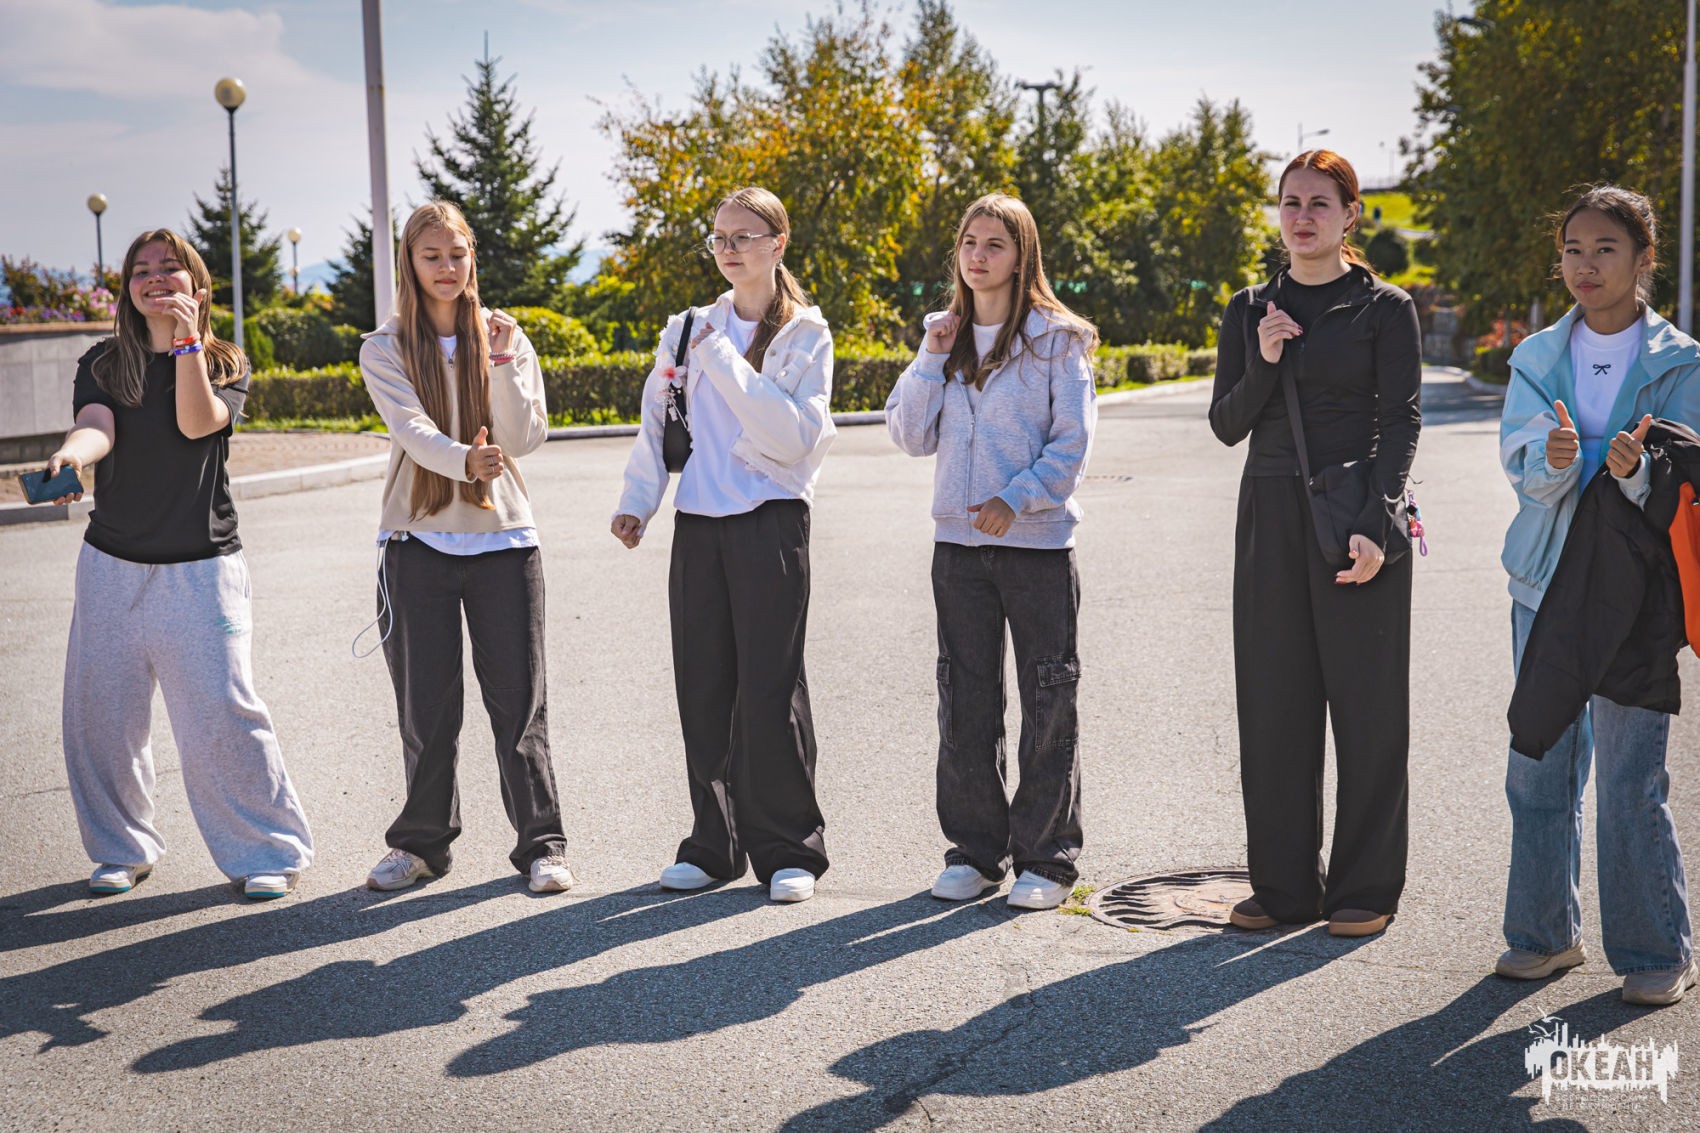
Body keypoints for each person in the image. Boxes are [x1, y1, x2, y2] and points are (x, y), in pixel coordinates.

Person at [43, 228, 314, 900]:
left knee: (223, 713)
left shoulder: (224, 361)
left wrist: (187, 340)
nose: (155, 278)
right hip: (111, 565)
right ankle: (121, 849)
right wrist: (72, 455)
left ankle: (265, 851)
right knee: (103, 719)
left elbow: (197, 423)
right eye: (141, 270)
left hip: (202, 568)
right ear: (127, 289)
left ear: (197, 283)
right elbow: (98, 425)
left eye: (170, 267)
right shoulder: (104, 361)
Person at [1208, 151, 1422, 938]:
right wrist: (1265, 360)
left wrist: (1379, 521)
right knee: (1274, 704)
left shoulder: (1385, 308)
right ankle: (1285, 885)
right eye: (1291, 202)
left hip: (1355, 514)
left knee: (1367, 708)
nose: (1302, 216)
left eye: (1319, 203)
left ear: (1349, 214)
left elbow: (1401, 421)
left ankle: (1367, 883)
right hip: (1269, 514)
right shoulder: (1249, 308)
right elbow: (1226, 423)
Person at [1495, 185, 1700, 1005]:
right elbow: (1519, 463)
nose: (1585, 264)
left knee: (1627, 780)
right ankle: (1544, 935)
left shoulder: (1680, 360)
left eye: (1605, 248)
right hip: (1544, 582)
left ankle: (1656, 948)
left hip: (1634, 598)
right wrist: (1551, 461)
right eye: (1573, 248)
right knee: (1538, 765)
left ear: (1644, 259)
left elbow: (1689, 468)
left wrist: (1640, 473)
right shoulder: (1538, 354)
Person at [611, 187, 835, 904]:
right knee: (703, 687)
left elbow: (791, 437)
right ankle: (715, 844)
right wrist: (637, 502)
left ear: (778, 243)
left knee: (770, 689)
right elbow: (658, 421)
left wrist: (724, 359)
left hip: (772, 523)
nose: (729, 249)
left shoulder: (805, 334)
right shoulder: (686, 328)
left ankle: (789, 849)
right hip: (699, 525)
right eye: (719, 237)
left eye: (744, 236)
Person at [885, 192, 1098, 911]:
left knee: (1048, 698)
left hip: (1036, 547)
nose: (977, 257)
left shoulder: (1059, 340)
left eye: (994, 245)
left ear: (1021, 255)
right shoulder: (943, 339)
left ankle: (1047, 858)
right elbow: (909, 435)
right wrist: (929, 355)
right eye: (969, 243)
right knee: (965, 700)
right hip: (957, 548)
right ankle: (975, 853)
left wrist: (1018, 496)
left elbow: (1072, 443)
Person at [358, 201, 574, 895]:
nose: (446, 267)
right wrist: (463, 461)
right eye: (431, 256)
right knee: (427, 708)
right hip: (416, 540)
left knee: (519, 707)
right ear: (410, 263)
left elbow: (525, 437)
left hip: (504, 541)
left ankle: (542, 845)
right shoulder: (384, 346)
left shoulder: (505, 334)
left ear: (472, 257)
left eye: (457, 254)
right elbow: (410, 428)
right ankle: (421, 845)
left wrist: (503, 361)